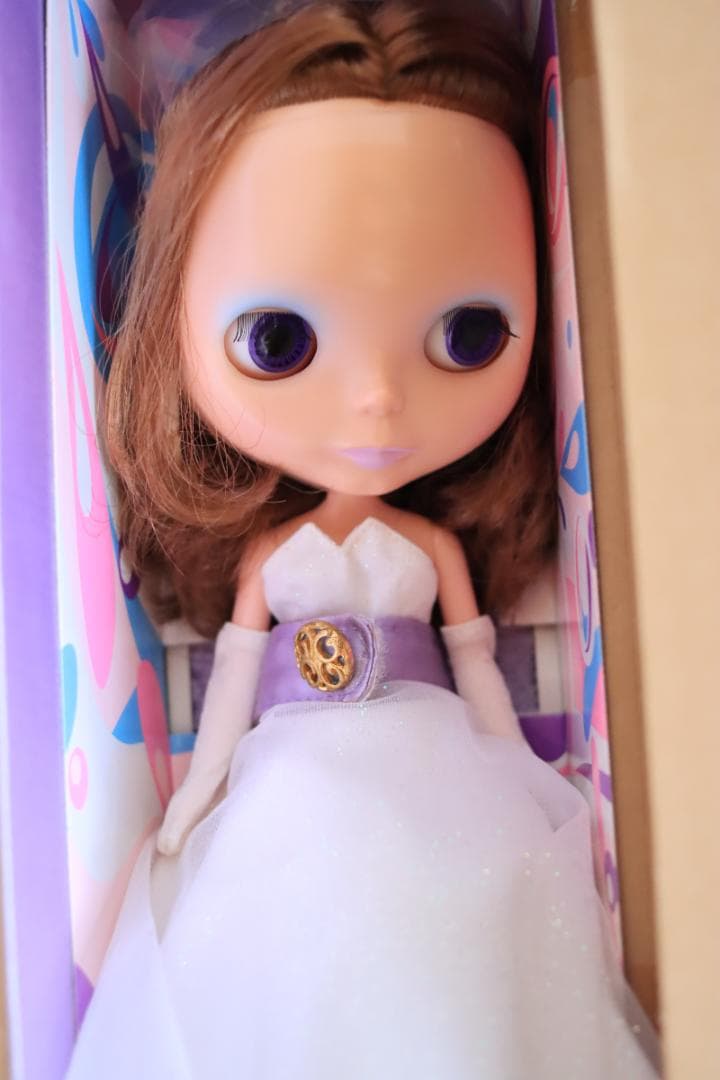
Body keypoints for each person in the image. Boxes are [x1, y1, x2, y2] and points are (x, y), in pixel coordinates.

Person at [68, 3, 659, 1076]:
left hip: (436, 758)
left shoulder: (431, 546)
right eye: (277, 340)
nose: (379, 400)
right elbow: (236, 684)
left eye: (466, 335)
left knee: (450, 955)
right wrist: (196, 799)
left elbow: (474, 657)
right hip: (291, 768)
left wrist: (515, 771)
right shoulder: (270, 558)